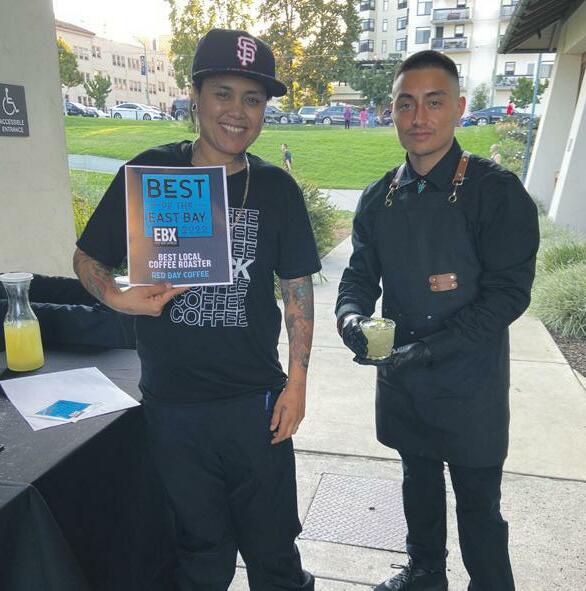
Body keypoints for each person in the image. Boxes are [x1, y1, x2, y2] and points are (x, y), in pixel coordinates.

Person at [74, 28, 319, 591]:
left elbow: (297, 287)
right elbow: (88, 256)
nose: (238, 111)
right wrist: (115, 296)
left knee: (274, 554)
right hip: (173, 407)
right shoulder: (150, 175)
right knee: (200, 554)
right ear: (195, 96)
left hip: (255, 404)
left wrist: (298, 382)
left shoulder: (276, 189)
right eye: (223, 93)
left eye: (252, 99)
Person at [336, 50, 539, 591]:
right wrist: (351, 318)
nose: (419, 117)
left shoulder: (496, 192)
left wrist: (430, 349)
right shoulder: (379, 197)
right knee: (417, 481)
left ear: (459, 108)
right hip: (404, 383)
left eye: (434, 102)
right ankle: (425, 574)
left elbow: (508, 296)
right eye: (406, 104)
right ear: (391, 111)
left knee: (479, 505)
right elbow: (358, 278)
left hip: (471, 383)